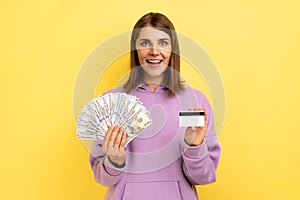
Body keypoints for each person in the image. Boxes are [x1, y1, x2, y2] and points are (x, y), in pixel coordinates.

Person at [89, 12, 221, 200]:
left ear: (173, 49)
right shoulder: (110, 102)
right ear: (135, 49)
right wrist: (115, 161)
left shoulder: (195, 102)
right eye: (145, 43)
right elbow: (101, 177)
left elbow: (204, 176)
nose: (154, 51)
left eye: (163, 43)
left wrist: (194, 146)